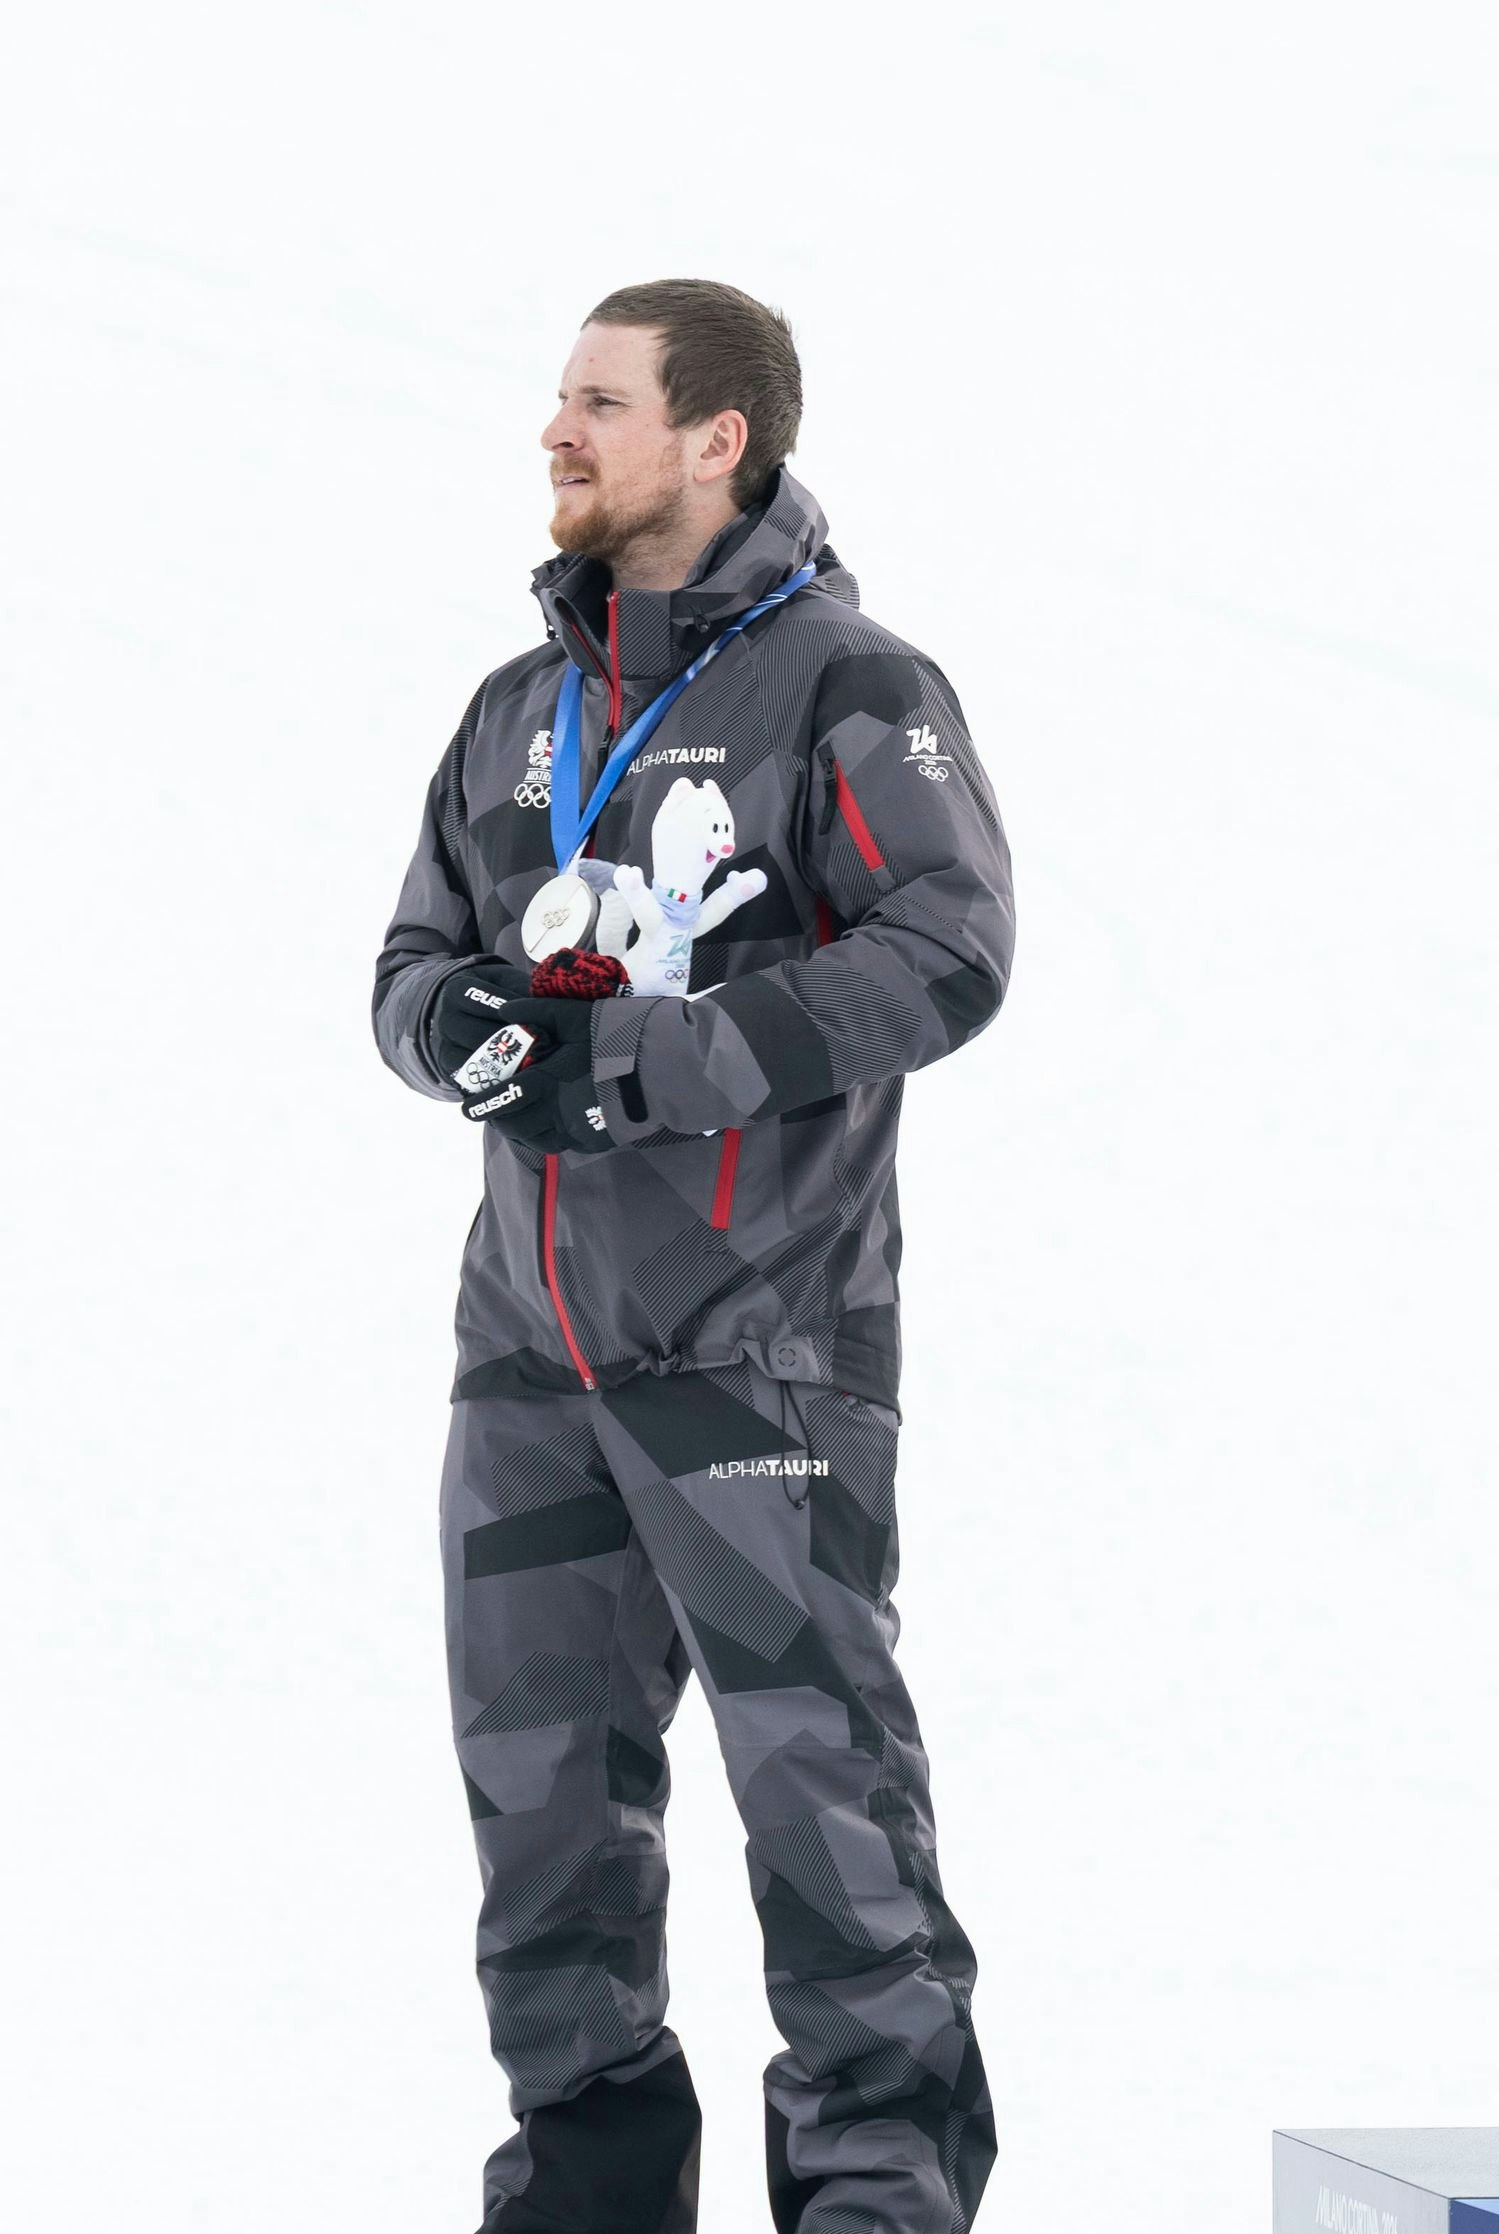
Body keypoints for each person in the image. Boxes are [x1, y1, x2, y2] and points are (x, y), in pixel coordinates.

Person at [372, 280, 1010, 2234]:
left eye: (599, 401)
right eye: (558, 398)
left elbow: (945, 954)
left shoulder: (847, 689)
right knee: (542, 1825)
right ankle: (584, 2203)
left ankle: (877, 2205)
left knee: (826, 1819)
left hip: (761, 1346)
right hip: (531, 1360)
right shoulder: (516, 711)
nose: (556, 429)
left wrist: (640, 1063)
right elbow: (406, 969)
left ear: (717, 435)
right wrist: (464, 1038)